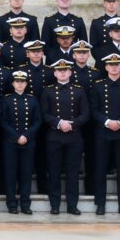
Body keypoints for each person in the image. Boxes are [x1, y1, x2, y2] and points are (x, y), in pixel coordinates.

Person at [41, 58, 89, 215]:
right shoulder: (47, 90)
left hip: (74, 137)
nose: (62, 73)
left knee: (73, 174)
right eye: (59, 70)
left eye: (65, 70)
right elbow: (44, 114)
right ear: (54, 73)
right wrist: (59, 122)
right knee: (53, 172)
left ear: (70, 72)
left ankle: (72, 205)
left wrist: (72, 124)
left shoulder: (79, 90)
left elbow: (85, 114)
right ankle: (54, 205)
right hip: (54, 136)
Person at [90, 53, 120, 216]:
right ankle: (100, 204)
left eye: (117, 65)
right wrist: (107, 122)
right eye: (111, 65)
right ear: (106, 67)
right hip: (103, 132)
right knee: (100, 169)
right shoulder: (97, 85)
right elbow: (94, 109)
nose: (114, 67)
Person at [1, 70, 41, 214]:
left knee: (26, 173)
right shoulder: (6, 99)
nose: (20, 84)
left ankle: (25, 204)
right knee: (10, 173)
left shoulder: (32, 99)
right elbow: (3, 121)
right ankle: (12, 204)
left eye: (22, 81)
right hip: (11, 142)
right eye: (17, 81)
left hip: (28, 142)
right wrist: (16, 136)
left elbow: (37, 121)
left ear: (26, 83)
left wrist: (26, 136)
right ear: (12, 83)